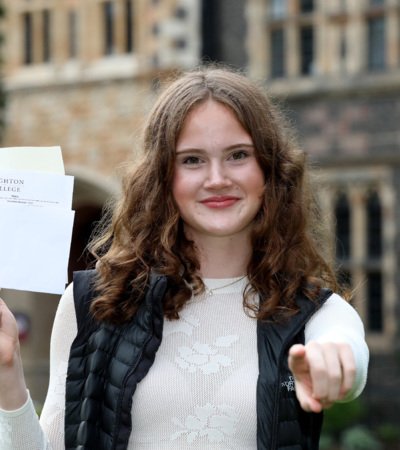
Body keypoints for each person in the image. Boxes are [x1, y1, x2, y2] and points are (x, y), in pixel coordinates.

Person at [0, 67, 368, 450]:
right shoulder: (91, 304)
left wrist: (333, 362)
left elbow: (345, 351)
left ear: (269, 168)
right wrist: (7, 369)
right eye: (192, 160)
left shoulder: (314, 312)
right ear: (163, 175)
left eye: (238, 155)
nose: (217, 178)